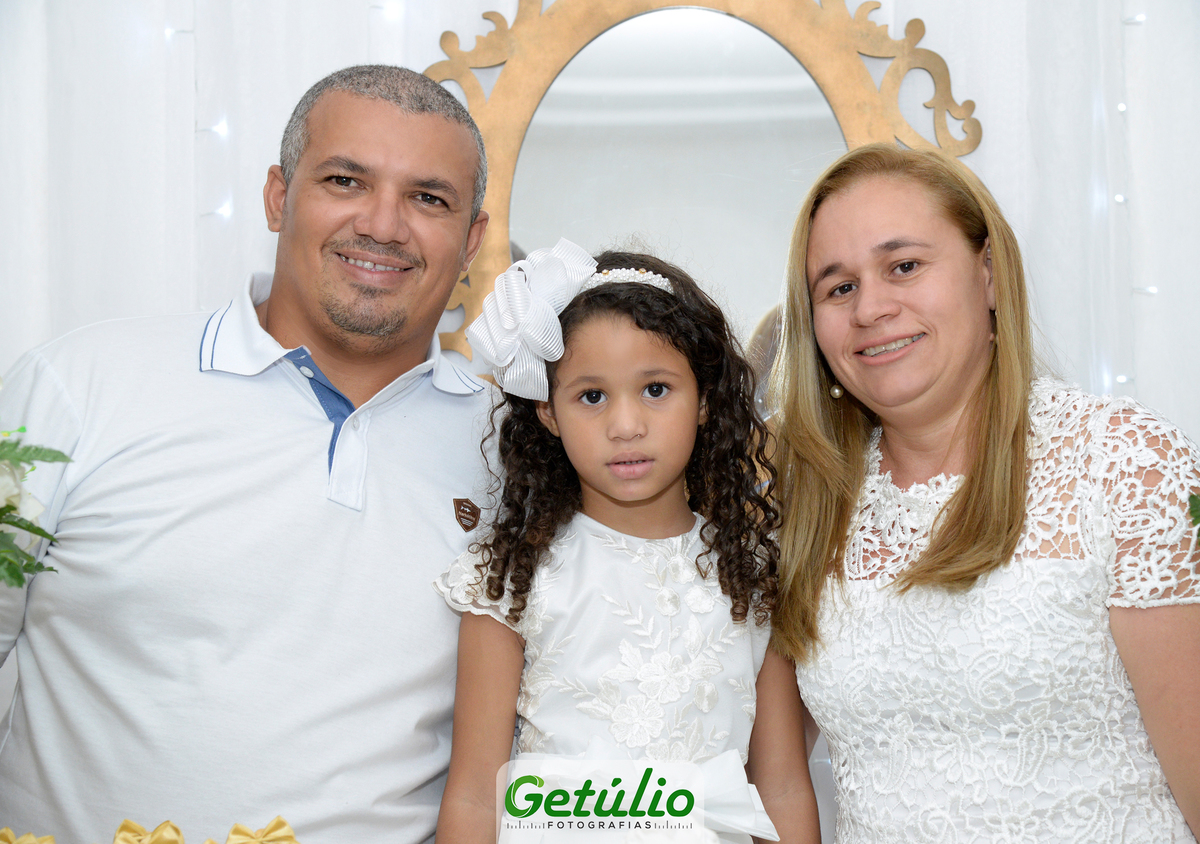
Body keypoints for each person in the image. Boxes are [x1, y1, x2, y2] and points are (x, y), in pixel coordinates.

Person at [0, 65, 491, 842]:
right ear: (277, 196)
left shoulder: (514, 451)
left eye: (428, 198)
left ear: (471, 240)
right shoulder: (74, 389)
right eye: (345, 181)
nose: (384, 224)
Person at [770, 143, 1200, 842]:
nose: (871, 307)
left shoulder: (1128, 462)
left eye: (904, 266)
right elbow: (767, 769)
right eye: (838, 288)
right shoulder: (806, 503)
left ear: (990, 274)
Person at [433, 241, 821, 843]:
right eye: (592, 396)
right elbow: (475, 794)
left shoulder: (750, 572)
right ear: (548, 412)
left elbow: (783, 787)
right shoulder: (511, 575)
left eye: (656, 389)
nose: (626, 426)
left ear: (705, 400)